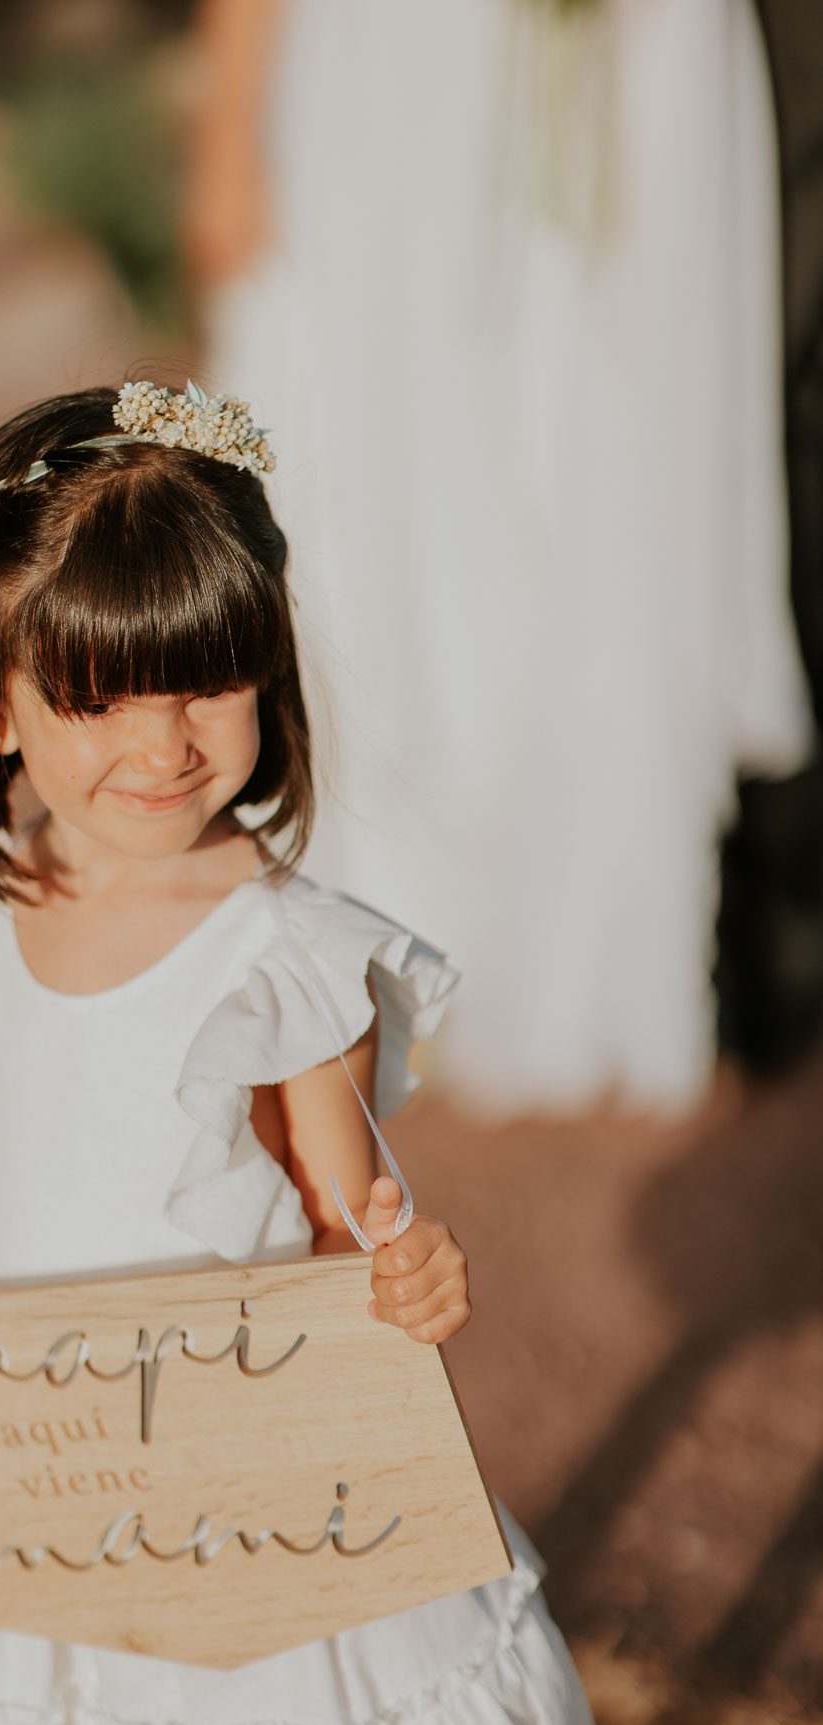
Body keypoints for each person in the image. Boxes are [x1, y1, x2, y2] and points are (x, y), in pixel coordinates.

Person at [0, 383, 598, 1725]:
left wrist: (405, 1272)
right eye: (95, 697)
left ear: (269, 677)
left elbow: (346, 1221)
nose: (162, 744)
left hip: (221, 1496)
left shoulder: (286, 958)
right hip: (6, 1479)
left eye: (207, 683)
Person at [189, 0, 815, 1116]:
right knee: (401, 474)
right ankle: (386, 934)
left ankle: (603, 953)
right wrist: (232, 118)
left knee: (623, 466)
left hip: (642, 56)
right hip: (399, 65)